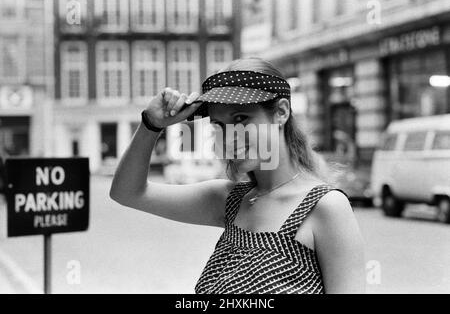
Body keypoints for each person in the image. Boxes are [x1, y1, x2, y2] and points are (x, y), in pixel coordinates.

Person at [110, 57, 365, 294]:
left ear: (281, 112)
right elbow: (128, 193)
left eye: (241, 118)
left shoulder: (326, 208)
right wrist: (151, 126)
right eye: (219, 125)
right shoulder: (230, 200)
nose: (229, 136)